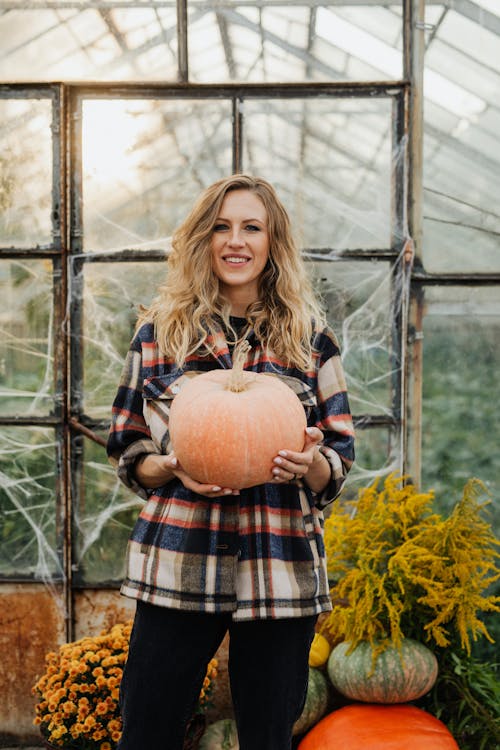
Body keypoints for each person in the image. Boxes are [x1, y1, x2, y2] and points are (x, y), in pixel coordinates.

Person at [107, 174, 355, 750]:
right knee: (147, 731)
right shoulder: (160, 333)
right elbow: (127, 445)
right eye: (221, 226)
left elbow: (339, 459)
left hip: (280, 564)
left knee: (268, 737)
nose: (235, 241)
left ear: (273, 242)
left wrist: (310, 463)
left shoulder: (310, 339)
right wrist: (169, 467)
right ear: (202, 239)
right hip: (180, 559)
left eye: (251, 227)